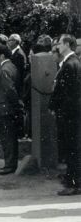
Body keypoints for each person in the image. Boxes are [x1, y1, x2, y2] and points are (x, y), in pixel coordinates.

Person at [49, 34, 81, 196]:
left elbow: (66, 93)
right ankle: (73, 179)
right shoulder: (74, 62)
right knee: (73, 148)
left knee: (72, 148)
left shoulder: (69, 64)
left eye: (60, 43)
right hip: (73, 113)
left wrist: (55, 107)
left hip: (69, 114)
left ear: (68, 44)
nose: (58, 46)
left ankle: (73, 184)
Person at [0, 45, 21, 175]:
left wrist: (15, 104)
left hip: (4, 108)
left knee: (7, 138)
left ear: (2, 55)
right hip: (8, 108)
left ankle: (9, 165)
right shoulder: (12, 66)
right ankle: (10, 164)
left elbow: (9, 89)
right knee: (9, 137)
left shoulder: (4, 69)